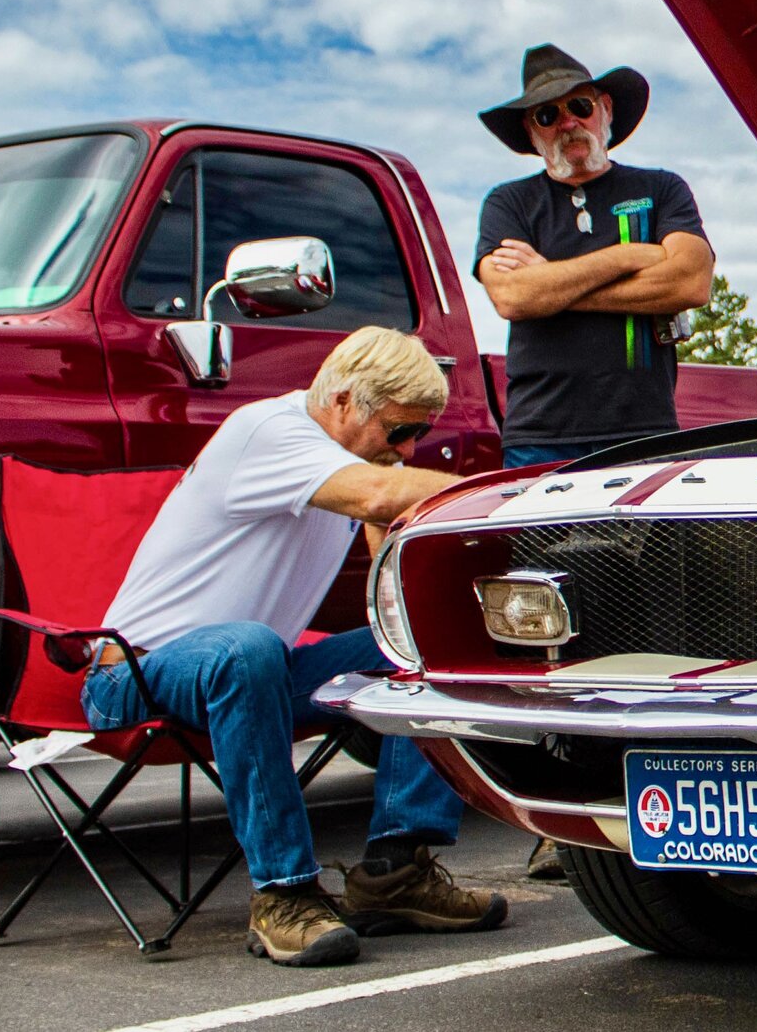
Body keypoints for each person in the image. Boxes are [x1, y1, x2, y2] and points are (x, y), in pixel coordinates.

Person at [85, 327, 508, 967]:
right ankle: (284, 896)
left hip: (250, 674)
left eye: (417, 434)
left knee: (424, 640)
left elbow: (386, 548)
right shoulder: (270, 431)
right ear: (341, 401)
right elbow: (378, 495)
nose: (408, 448)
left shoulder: (345, 457)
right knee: (247, 649)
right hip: (135, 676)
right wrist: (526, 490)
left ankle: (395, 871)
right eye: (397, 432)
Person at [473, 43, 714, 470]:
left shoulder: (661, 189)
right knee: (539, 541)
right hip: (540, 436)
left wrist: (553, 288)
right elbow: (512, 297)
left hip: (644, 433)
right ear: (532, 131)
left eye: (579, 106)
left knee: (648, 542)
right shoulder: (508, 202)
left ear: (605, 109)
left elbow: (691, 281)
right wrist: (628, 256)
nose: (567, 122)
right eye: (547, 115)